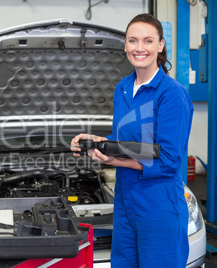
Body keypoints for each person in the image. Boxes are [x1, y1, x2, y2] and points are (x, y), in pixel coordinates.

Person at [71, 13, 193, 267]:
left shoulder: (172, 94)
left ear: (160, 46)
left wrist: (114, 159)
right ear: (125, 45)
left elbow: (169, 161)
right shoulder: (123, 88)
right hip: (125, 198)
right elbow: (126, 140)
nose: (139, 48)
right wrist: (97, 141)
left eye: (148, 41)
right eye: (133, 40)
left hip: (158, 201)